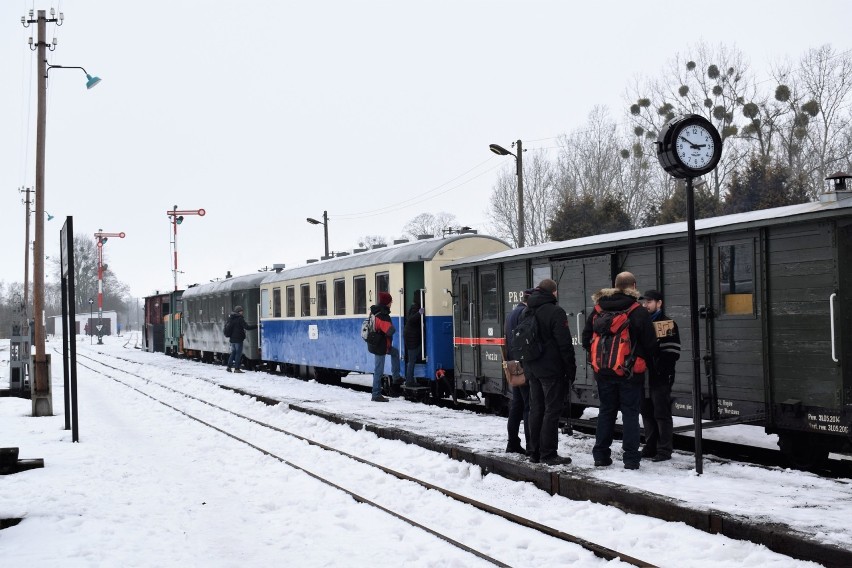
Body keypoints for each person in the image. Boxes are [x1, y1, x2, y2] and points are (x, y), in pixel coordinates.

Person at [582, 272, 658, 470]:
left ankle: (600, 455)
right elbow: (650, 344)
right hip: (630, 373)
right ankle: (631, 459)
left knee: (606, 411)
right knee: (630, 414)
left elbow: (585, 340)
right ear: (633, 286)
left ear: (614, 286)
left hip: (603, 372)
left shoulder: (598, 309)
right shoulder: (637, 310)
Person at [523, 279, 576, 466]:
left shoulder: (527, 310)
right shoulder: (556, 311)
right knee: (552, 411)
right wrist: (571, 369)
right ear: (554, 292)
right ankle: (548, 454)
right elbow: (565, 345)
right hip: (551, 370)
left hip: (532, 368)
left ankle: (534, 452)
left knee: (536, 409)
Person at [640, 289, 681, 462]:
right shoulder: (641, 323)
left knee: (661, 413)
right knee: (646, 412)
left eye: (649, 302)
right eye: (644, 302)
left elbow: (672, 352)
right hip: (643, 376)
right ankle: (650, 447)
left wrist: (659, 367)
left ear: (659, 303)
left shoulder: (668, 324)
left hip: (660, 376)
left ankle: (664, 450)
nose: (645, 305)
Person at [504, 288, 533, 455]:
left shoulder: (511, 314)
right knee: (529, 405)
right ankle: (531, 445)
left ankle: (512, 442)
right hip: (523, 365)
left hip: (513, 365)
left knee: (516, 405)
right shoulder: (525, 313)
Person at [368, 292, 402, 402]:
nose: (391, 303)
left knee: (395, 352)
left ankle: (396, 377)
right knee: (378, 370)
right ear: (387, 303)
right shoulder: (382, 315)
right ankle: (376, 394)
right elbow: (389, 330)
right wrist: (392, 328)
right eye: (390, 301)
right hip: (380, 346)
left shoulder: (375, 312)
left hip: (381, 344)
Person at [225, 306, 257, 373]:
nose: (242, 312)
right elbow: (247, 327)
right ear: (238, 312)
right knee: (238, 354)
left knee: (233, 353)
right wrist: (257, 326)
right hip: (238, 339)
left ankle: (229, 367)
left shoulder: (231, 318)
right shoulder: (240, 319)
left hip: (232, 339)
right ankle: (237, 368)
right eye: (241, 311)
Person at [403, 296, 424, 387]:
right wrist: (419, 313)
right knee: (411, 360)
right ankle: (409, 381)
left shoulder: (413, 307)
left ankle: (410, 380)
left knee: (412, 359)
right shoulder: (416, 308)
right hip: (412, 338)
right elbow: (411, 319)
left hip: (411, 337)